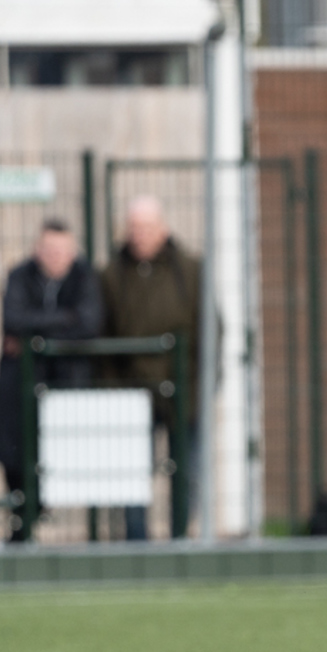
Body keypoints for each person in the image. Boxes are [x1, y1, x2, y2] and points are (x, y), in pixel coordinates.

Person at [0, 218, 104, 542]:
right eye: (49, 249)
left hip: (68, 386)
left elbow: (90, 324)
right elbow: (13, 319)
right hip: (20, 388)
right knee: (15, 456)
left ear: (73, 251)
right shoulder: (19, 275)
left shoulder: (85, 278)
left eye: (61, 250)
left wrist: (35, 336)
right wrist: (67, 320)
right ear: (37, 250)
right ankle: (21, 529)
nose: (54, 256)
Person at [100, 196, 202, 540]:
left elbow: (207, 331)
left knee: (185, 473)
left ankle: (180, 538)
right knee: (132, 474)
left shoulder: (189, 271)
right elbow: (105, 334)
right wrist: (114, 390)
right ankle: (136, 542)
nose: (139, 234)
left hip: (183, 392)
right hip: (132, 392)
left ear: (163, 228)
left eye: (146, 227)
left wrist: (198, 387)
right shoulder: (113, 275)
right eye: (133, 227)